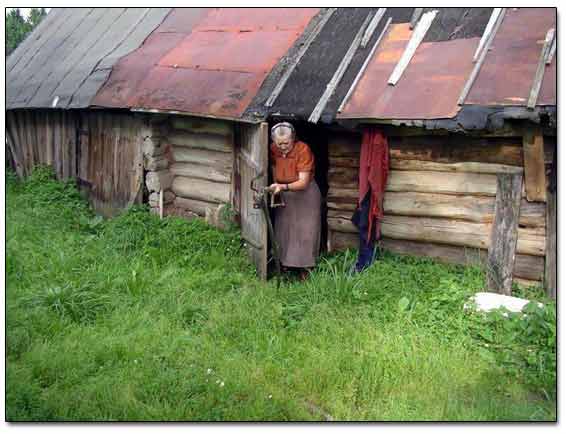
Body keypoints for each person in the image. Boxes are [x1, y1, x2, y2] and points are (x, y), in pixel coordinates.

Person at [267, 122, 321, 279]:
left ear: (293, 138)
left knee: (306, 232)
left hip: (305, 196)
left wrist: (281, 186)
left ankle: (306, 270)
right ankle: (284, 266)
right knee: (284, 231)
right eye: (279, 143)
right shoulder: (273, 149)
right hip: (284, 192)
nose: (282, 146)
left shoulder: (303, 150)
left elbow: (303, 182)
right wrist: (276, 184)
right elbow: (274, 166)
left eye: (286, 143)